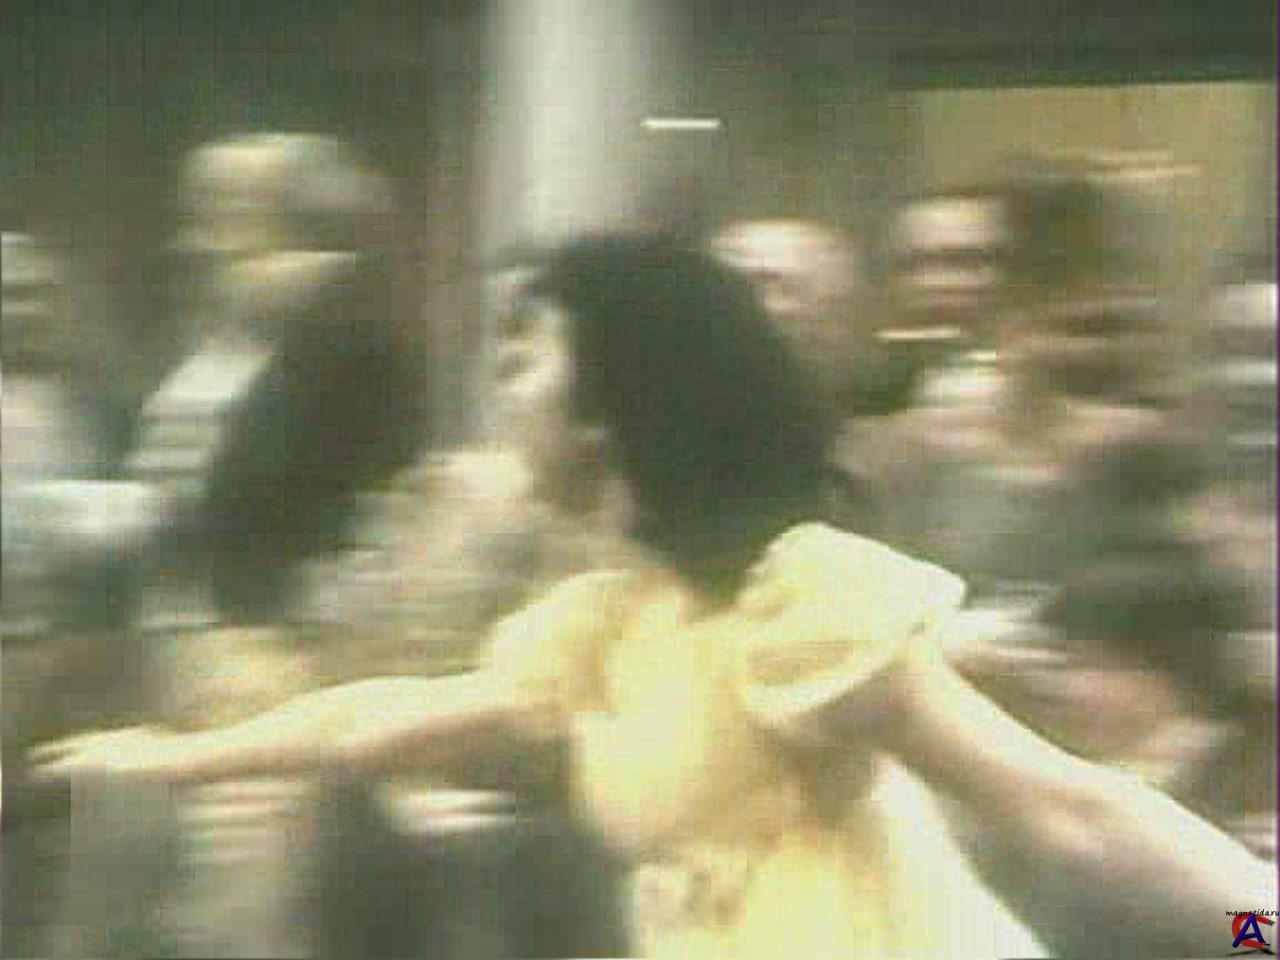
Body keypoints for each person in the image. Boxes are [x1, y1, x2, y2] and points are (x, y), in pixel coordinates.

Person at [34, 235, 1271, 958]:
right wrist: (174, 758)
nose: (501, 389)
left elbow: (1071, 811)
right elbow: (381, 718)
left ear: (612, 396)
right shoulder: (611, 622)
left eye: (524, 355)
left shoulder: (796, 597)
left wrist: (1257, 934)